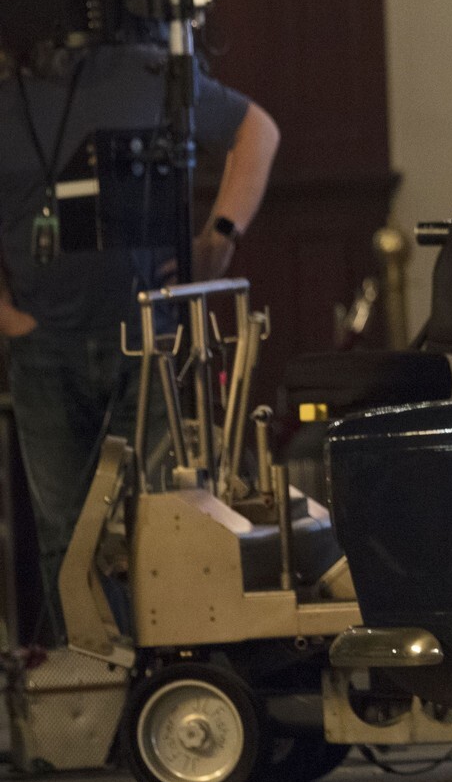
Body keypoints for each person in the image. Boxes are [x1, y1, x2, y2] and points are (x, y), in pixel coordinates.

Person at [0, 37, 277, 644]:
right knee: (65, 537)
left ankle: (172, 673)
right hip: (43, 347)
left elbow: (257, 130)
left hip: (150, 337)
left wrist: (219, 238)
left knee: (166, 522)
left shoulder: (142, 68)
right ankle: (96, 681)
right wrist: (6, 315)